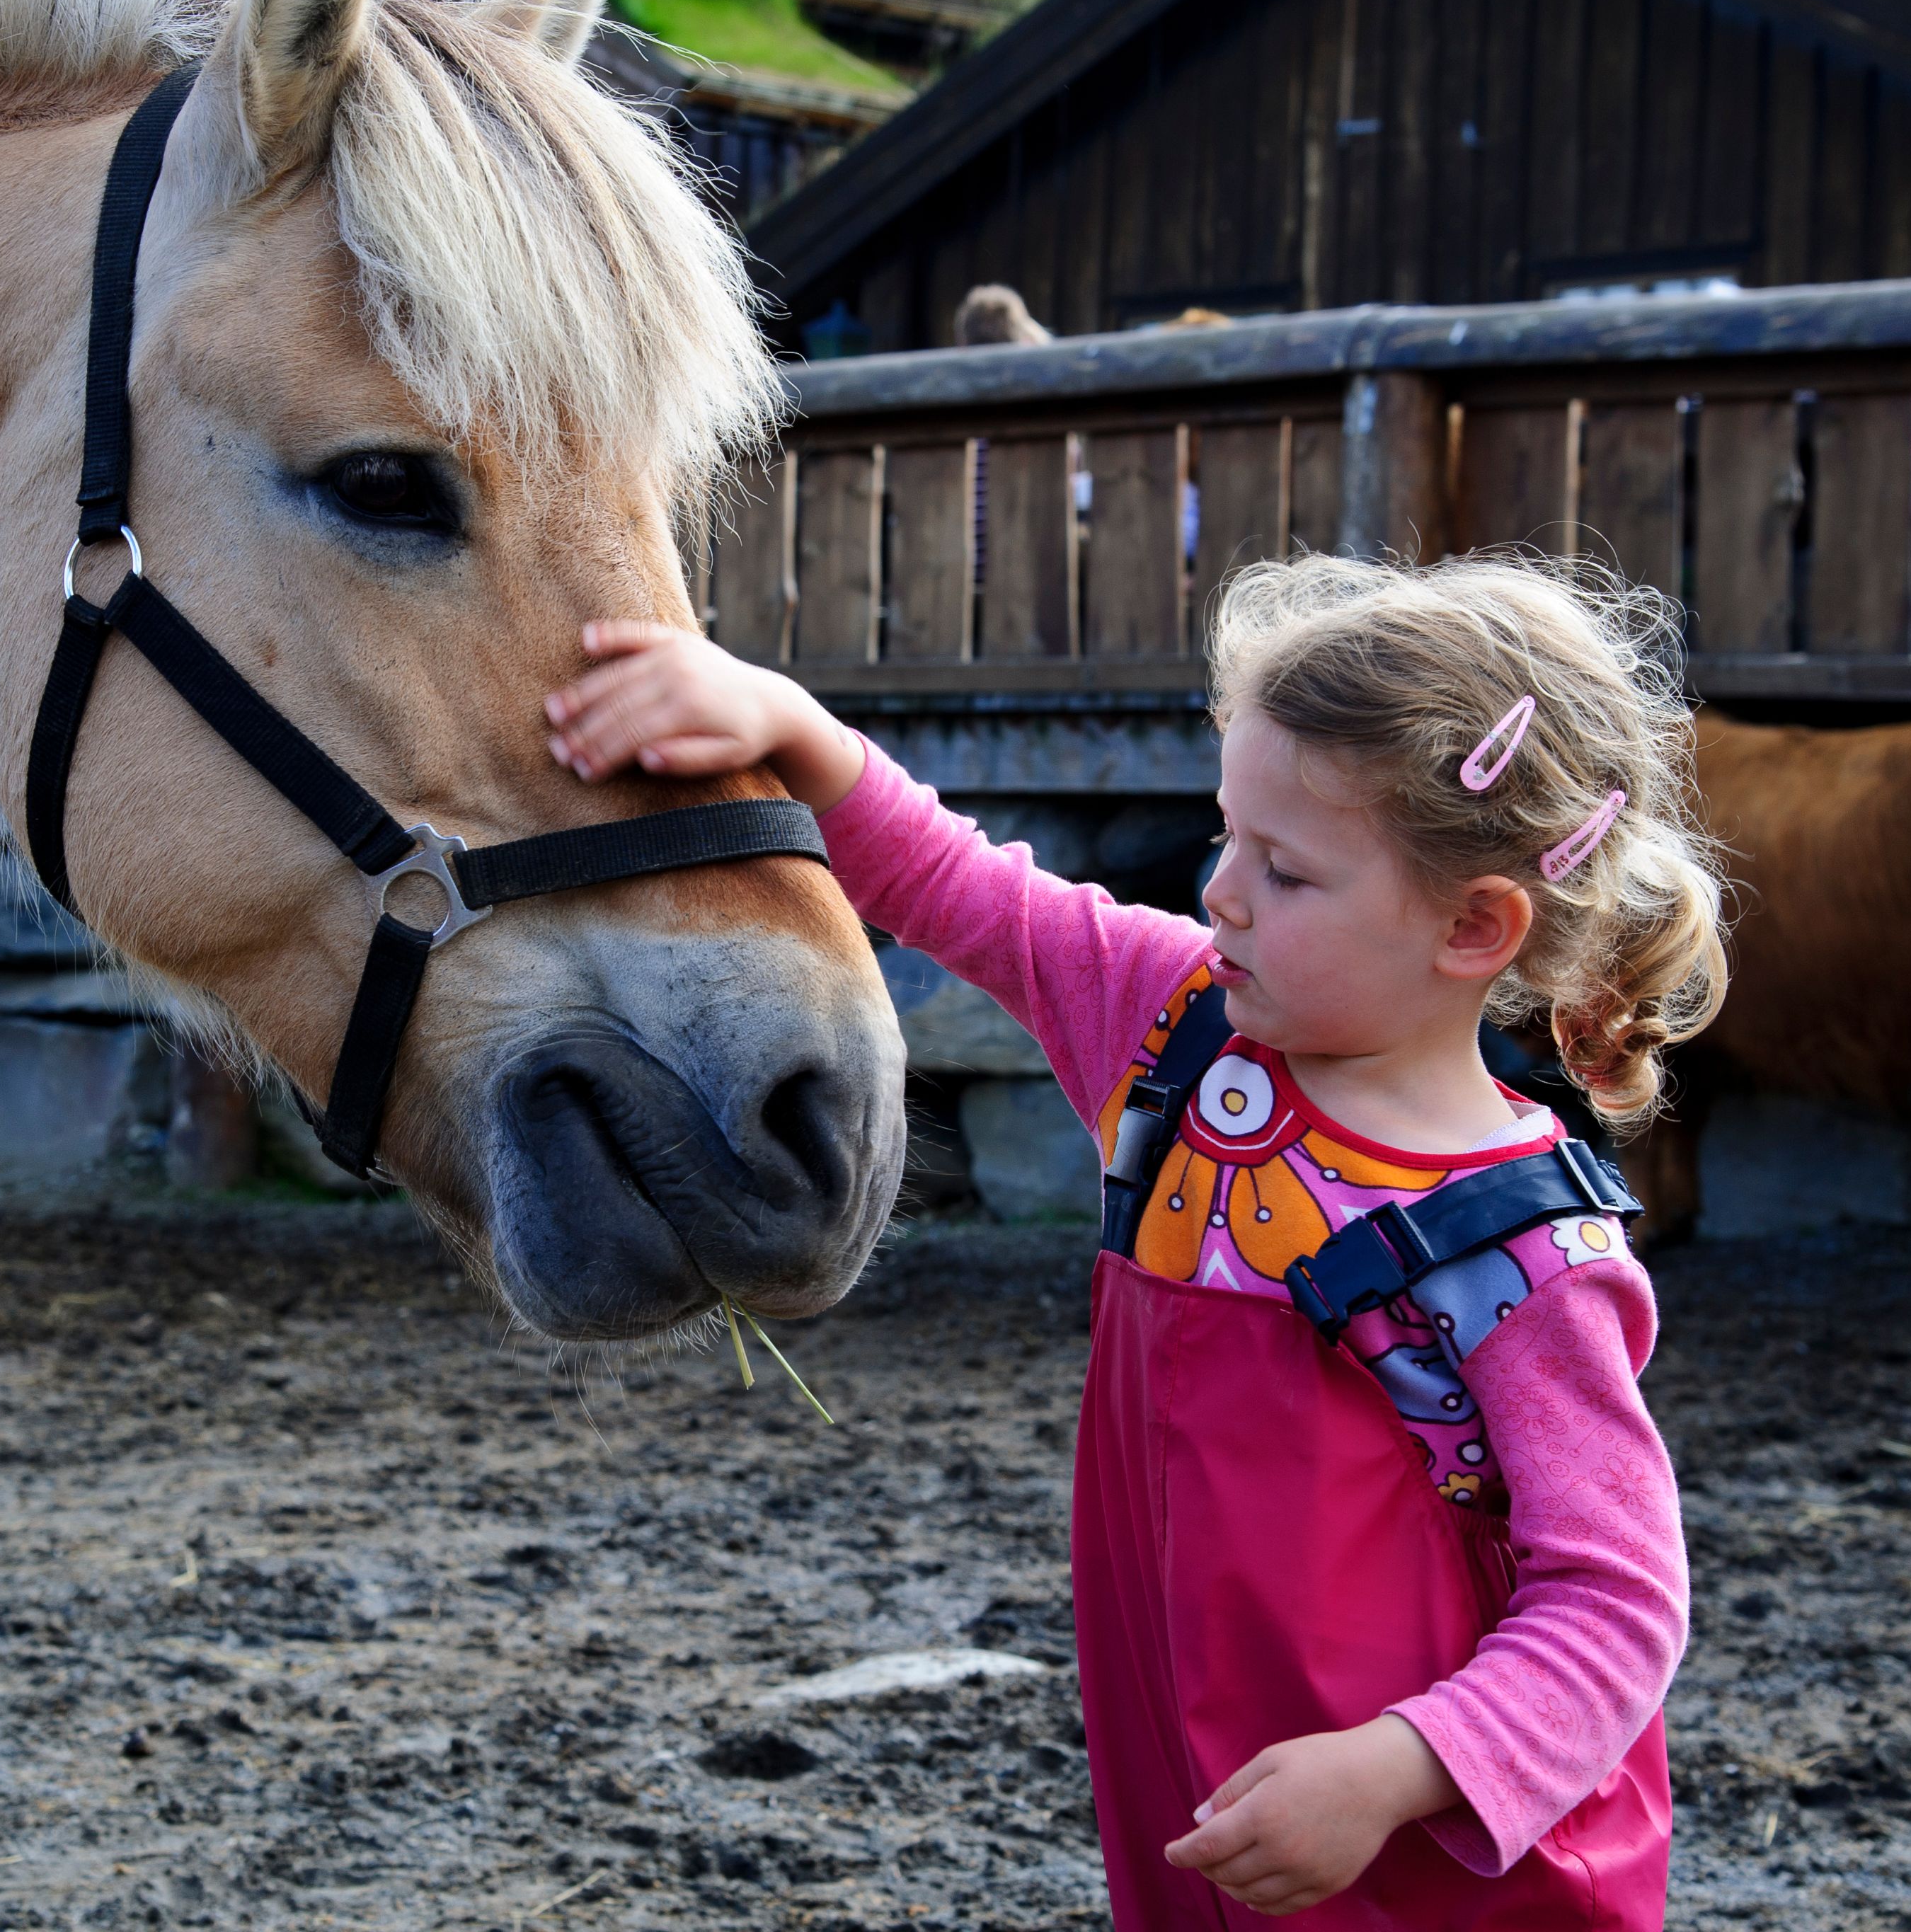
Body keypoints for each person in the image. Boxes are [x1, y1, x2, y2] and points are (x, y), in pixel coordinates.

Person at [545, 553, 1721, 1926]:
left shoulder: (1523, 1259)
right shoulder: (1180, 1035)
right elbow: (966, 893)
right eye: (1227, 834)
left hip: (1429, 1850)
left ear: (1474, 926)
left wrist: (1402, 1770)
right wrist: (788, 731)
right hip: (1199, 1768)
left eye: (1282, 871)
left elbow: (1616, 1605)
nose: (1220, 890)